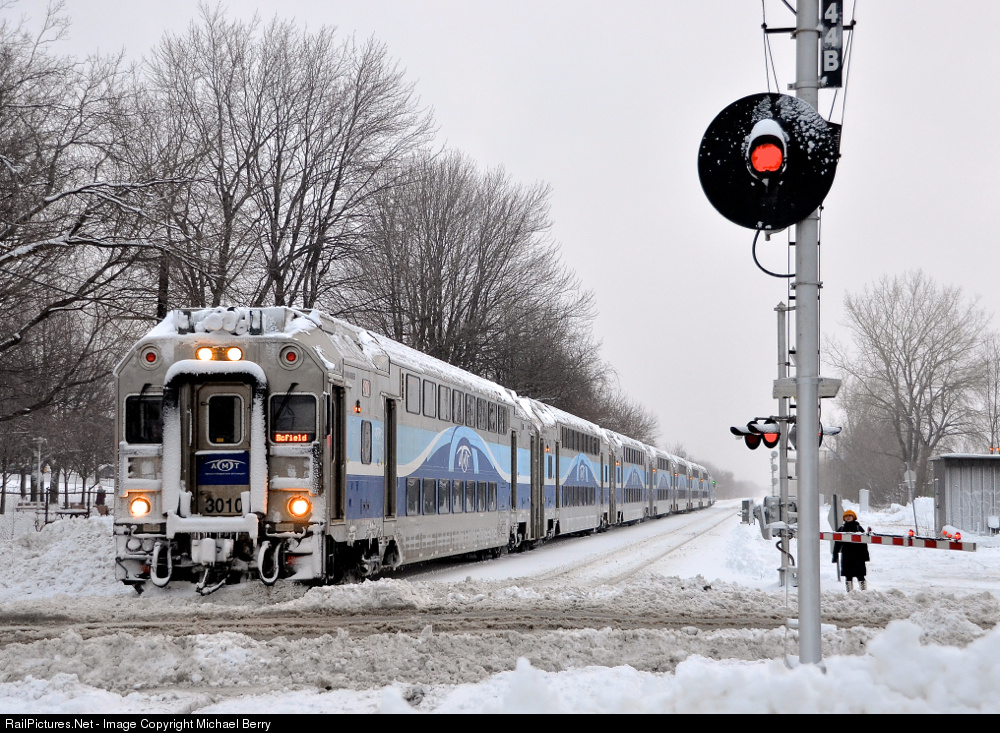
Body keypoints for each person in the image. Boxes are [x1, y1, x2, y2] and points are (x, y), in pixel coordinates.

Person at [832, 509, 870, 592]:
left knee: (860, 575)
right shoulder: (841, 529)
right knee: (848, 575)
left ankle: (864, 591)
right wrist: (835, 555)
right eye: (846, 516)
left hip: (858, 556)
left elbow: (864, 544)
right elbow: (837, 544)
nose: (848, 517)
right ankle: (849, 592)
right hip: (846, 556)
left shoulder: (858, 528)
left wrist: (866, 556)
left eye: (850, 516)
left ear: (853, 517)